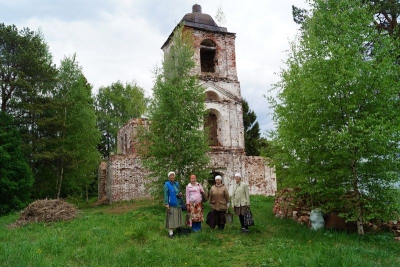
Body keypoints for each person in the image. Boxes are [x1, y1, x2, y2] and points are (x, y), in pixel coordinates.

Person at [164, 171, 184, 238]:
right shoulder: (166, 185)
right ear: (169, 177)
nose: (172, 177)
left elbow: (178, 191)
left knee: (177, 217)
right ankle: (170, 232)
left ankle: (177, 229)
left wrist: (180, 194)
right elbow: (166, 195)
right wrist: (166, 203)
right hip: (171, 204)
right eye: (171, 176)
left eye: (173, 176)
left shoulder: (176, 184)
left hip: (177, 203)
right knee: (171, 218)